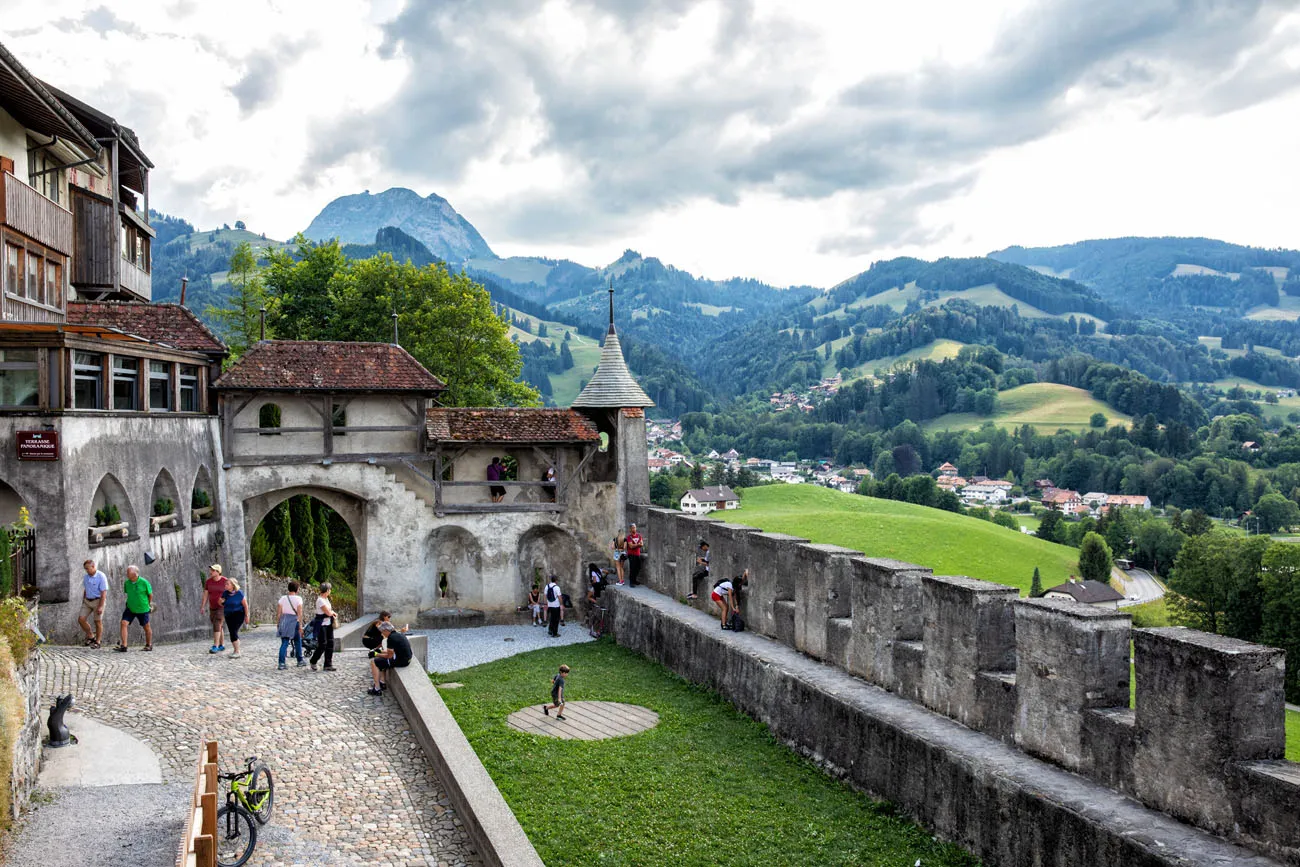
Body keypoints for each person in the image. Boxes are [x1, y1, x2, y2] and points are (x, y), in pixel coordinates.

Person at [114, 565, 153, 652]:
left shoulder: (144, 582)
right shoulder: (127, 583)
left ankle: (149, 644)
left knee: (146, 627)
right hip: (130, 608)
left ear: (135, 574)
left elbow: (150, 595)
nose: (126, 574)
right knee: (123, 623)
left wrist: (148, 604)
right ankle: (124, 645)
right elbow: (128, 593)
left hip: (142, 608)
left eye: (128, 572)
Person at [367, 621, 412, 695]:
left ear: (386, 630)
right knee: (381, 661)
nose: (382, 634)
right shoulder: (399, 634)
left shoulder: (391, 638)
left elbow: (389, 656)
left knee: (374, 662)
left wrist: (376, 654)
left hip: (401, 661)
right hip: (407, 659)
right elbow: (391, 652)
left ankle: (377, 689)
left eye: (382, 632)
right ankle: (382, 682)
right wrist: (380, 651)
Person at [77, 559, 109, 649]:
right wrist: (83, 600)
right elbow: (85, 589)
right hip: (87, 601)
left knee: (97, 621)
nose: (86, 570)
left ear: (93, 566)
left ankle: (98, 642)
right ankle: (91, 636)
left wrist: (101, 606)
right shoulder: (86, 577)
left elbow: (104, 592)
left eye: (87, 568)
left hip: (98, 601)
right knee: (81, 619)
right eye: (85, 569)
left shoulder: (101, 576)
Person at [276, 580, 306, 670]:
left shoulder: (282, 598)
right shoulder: (298, 599)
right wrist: (300, 626)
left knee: (284, 642)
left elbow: (279, 613)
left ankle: (281, 663)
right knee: (297, 641)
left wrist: (278, 623)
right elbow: (300, 614)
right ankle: (300, 660)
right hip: (294, 621)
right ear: (297, 589)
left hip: (284, 621)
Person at [309, 582, 338, 671]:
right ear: (327, 590)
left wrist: (332, 612)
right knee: (323, 644)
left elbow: (329, 610)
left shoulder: (326, 599)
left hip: (328, 624)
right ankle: (313, 661)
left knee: (330, 643)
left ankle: (328, 664)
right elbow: (328, 612)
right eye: (329, 589)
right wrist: (332, 613)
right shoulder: (320, 600)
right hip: (321, 625)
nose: (330, 591)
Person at [202, 564, 228, 654]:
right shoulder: (208, 582)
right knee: (218, 625)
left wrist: (226, 601)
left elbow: (230, 592)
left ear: (218, 572)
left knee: (217, 623)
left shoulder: (225, 581)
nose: (211, 572)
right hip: (212, 607)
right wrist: (203, 606)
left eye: (213, 570)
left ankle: (215, 646)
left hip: (222, 607)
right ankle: (222, 644)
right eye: (211, 570)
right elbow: (205, 595)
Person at [222, 577, 248, 659]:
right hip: (228, 614)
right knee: (232, 632)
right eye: (225, 584)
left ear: (233, 585)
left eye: (227, 584)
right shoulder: (225, 593)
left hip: (238, 614)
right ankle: (236, 650)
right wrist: (220, 601)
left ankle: (237, 651)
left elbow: (245, 605)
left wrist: (247, 616)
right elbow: (221, 602)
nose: (225, 585)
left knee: (233, 631)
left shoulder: (239, 593)